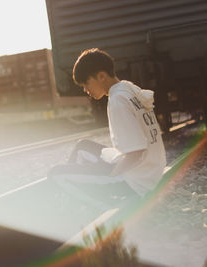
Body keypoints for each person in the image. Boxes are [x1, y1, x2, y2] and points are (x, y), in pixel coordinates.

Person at [48, 48, 166, 204]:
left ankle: (101, 209)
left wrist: (110, 175)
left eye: (86, 83)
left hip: (136, 181)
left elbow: (136, 152)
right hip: (150, 170)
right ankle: (75, 193)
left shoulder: (118, 101)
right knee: (82, 146)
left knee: (56, 174)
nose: (86, 90)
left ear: (101, 76)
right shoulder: (128, 88)